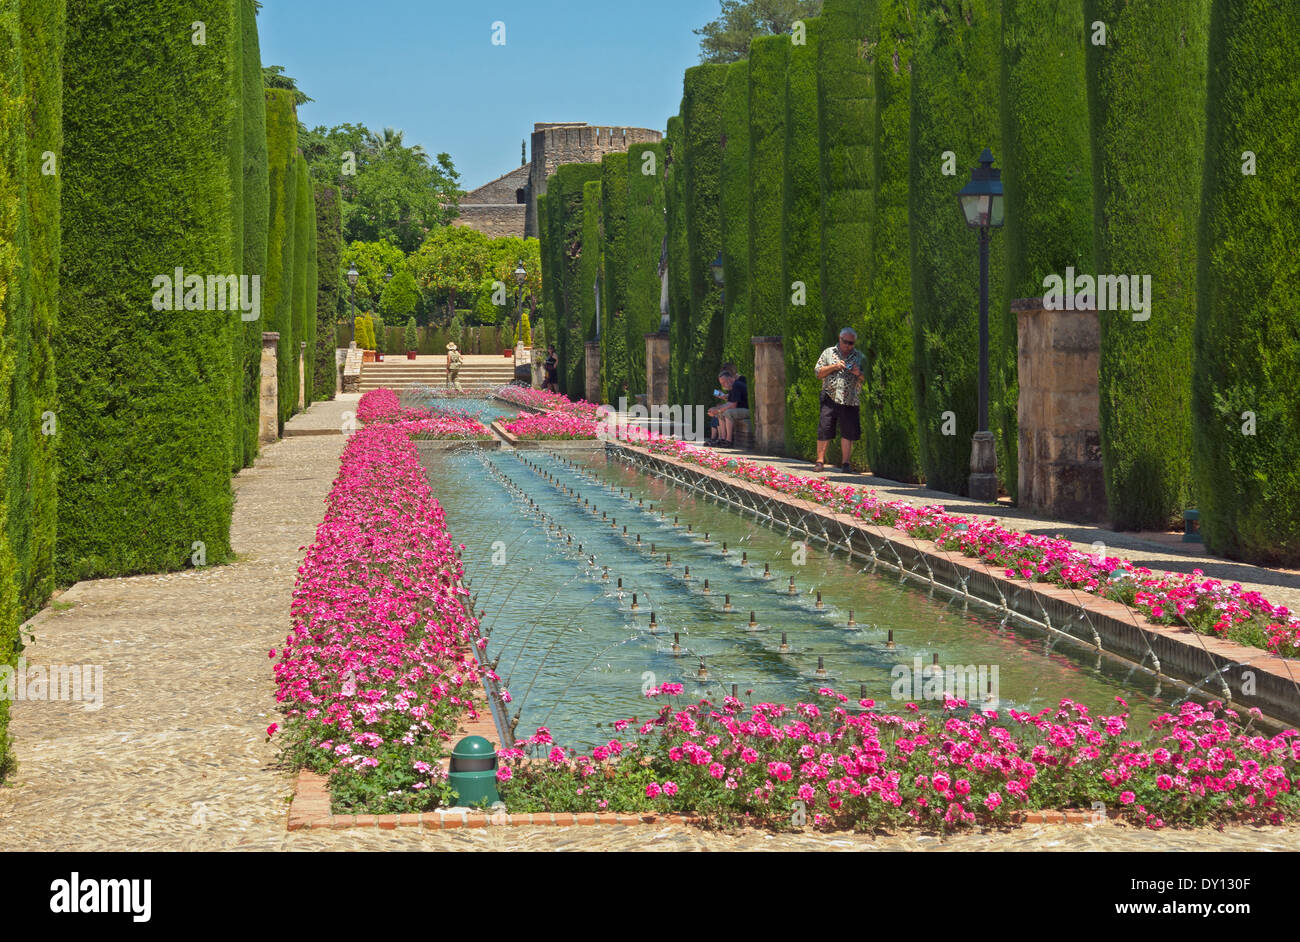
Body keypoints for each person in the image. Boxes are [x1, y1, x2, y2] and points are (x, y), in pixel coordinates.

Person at [814, 327, 865, 472]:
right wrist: (835, 366)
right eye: (846, 342)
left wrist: (858, 373)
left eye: (851, 343)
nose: (848, 346)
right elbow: (818, 372)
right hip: (829, 396)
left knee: (848, 432)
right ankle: (819, 461)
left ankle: (846, 463)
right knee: (824, 428)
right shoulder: (828, 353)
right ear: (839, 338)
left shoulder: (859, 356)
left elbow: (868, 378)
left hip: (850, 398)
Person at [707, 366, 748, 447]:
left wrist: (717, 410)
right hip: (740, 410)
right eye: (721, 383)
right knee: (721, 413)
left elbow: (733, 405)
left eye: (724, 382)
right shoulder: (732, 387)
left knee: (727, 412)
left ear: (730, 379)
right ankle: (722, 439)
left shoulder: (736, 385)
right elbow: (729, 403)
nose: (723, 385)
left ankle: (728, 441)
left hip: (747, 410)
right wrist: (717, 410)